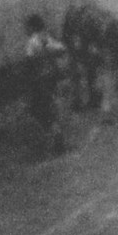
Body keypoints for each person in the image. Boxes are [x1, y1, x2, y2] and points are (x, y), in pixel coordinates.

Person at [23, 14, 74, 154]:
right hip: (51, 78)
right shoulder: (46, 38)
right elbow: (62, 49)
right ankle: (56, 135)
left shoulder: (32, 41)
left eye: (27, 27)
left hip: (39, 80)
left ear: (32, 27)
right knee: (48, 107)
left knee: (38, 109)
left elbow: (29, 61)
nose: (26, 29)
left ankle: (55, 137)